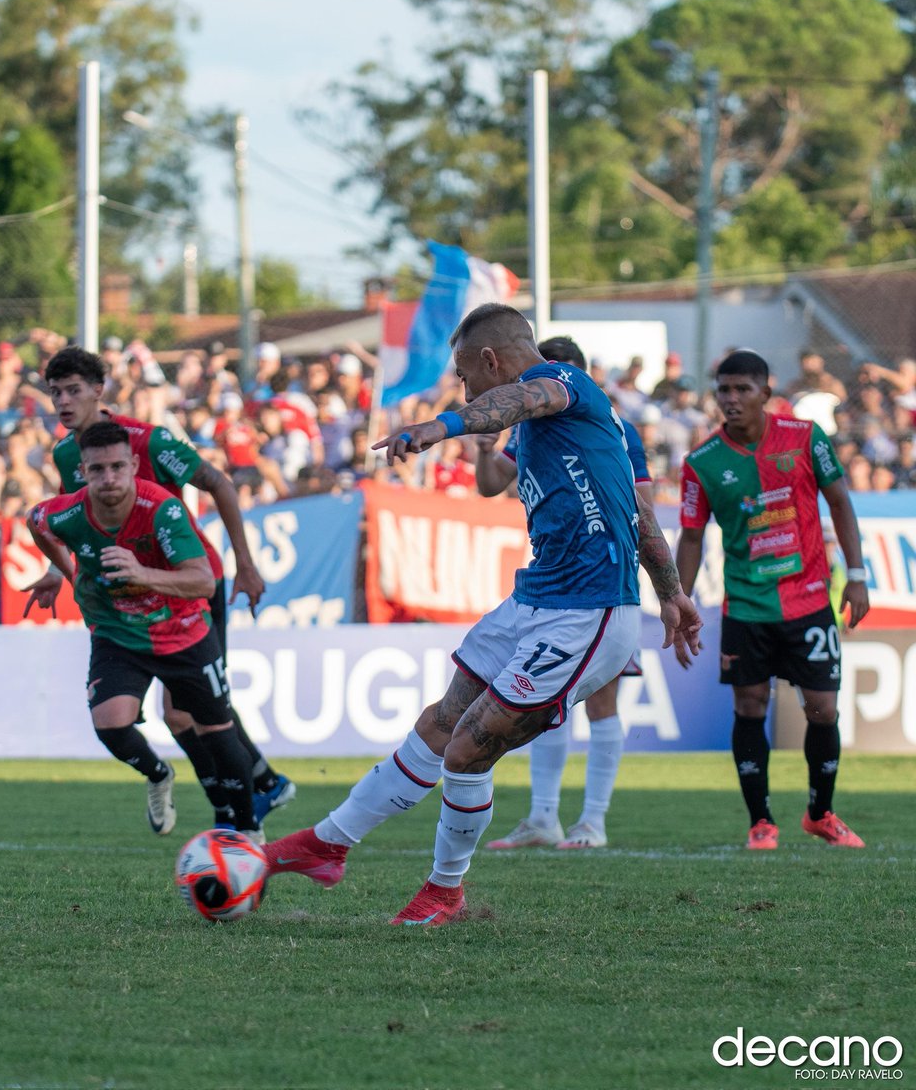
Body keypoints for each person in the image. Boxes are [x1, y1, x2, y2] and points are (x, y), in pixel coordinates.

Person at [260, 303, 701, 926]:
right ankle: (327, 843)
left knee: (469, 750)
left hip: (589, 611)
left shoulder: (567, 385)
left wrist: (441, 426)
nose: (466, 389)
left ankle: (446, 891)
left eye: (467, 375)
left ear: (492, 360)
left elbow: (526, 400)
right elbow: (640, 516)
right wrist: (673, 591)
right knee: (443, 722)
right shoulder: (538, 431)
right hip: (534, 599)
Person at [24, 346, 295, 825]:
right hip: (127, 594)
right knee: (177, 714)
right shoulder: (69, 453)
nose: (63, 401)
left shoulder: (149, 441)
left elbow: (220, 483)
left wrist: (246, 565)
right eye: (55, 392)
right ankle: (249, 793)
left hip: (189, 580)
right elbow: (74, 519)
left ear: (98, 391)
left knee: (193, 708)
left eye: (74, 390)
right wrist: (59, 570)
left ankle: (255, 795)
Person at [675, 349, 869, 851]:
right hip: (746, 606)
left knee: (823, 710)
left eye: (742, 389)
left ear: (766, 391)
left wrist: (858, 574)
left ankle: (820, 813)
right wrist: (679, 600)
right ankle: (761, 821)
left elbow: (841, 501)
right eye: (724, 390)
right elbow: (692, 537)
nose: (732, 399)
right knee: (750, 706)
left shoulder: (805, 437)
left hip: (808, 601)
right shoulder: (701, 463)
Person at [474, 334, 656, 851]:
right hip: (553, 580)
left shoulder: (614, 426)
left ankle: (592, 821)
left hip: (603, 583)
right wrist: (484, 450)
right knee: (540, 699)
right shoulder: (525, 429)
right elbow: (491, 485)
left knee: (600, 702)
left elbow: (643, 504)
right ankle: (543, 818)